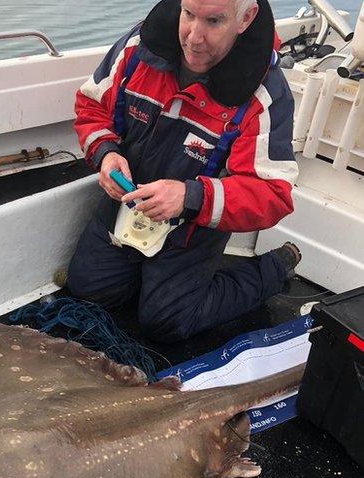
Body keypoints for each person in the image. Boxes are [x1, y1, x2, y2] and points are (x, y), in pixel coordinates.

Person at [67, 0, 301, 342]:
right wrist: (105, 153)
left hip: (190, 228)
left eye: (213, 21)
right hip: (125, 208)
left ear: (245, 18)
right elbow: (92, 105)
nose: (193, 37)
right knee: (89, 291)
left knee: (166, 321)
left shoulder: (265, 95)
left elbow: (272, 193)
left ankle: (275, 266)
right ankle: (147, 276)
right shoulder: (136, 49)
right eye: (188, 14)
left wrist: (190, 197)